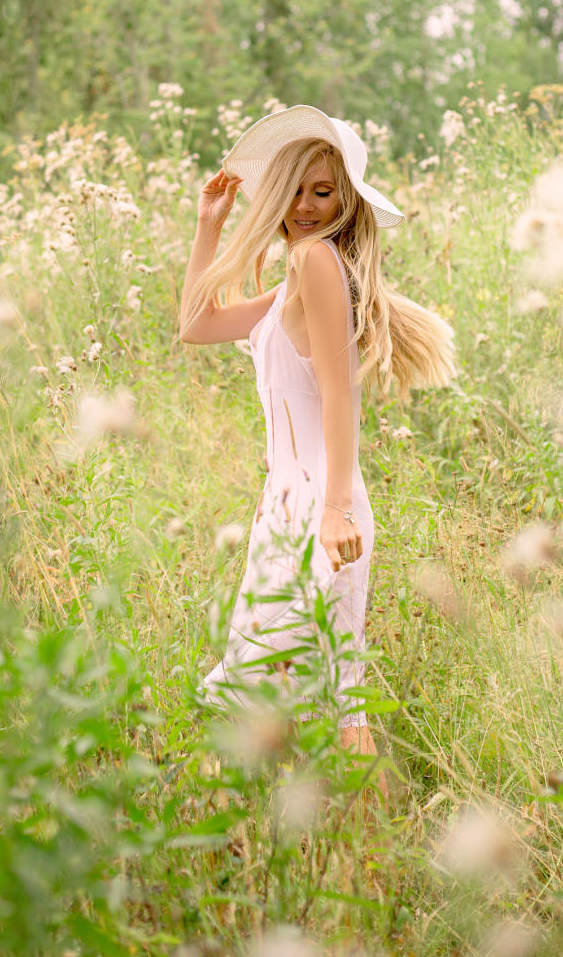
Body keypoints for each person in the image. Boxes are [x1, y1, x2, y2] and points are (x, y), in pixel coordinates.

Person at [180, 105, 456, 761]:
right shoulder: (296, 280)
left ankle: (361, 821)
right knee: (309, 697)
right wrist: (208, 225)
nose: (305, 206)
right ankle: (325, 820)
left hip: (319, 510)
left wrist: (334, 511)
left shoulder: (316, 261)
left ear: (346, 202)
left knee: (328, 698)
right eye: (296, 190)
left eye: (323, 192)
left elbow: (340, 393)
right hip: (286, 510)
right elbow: (196, 325)